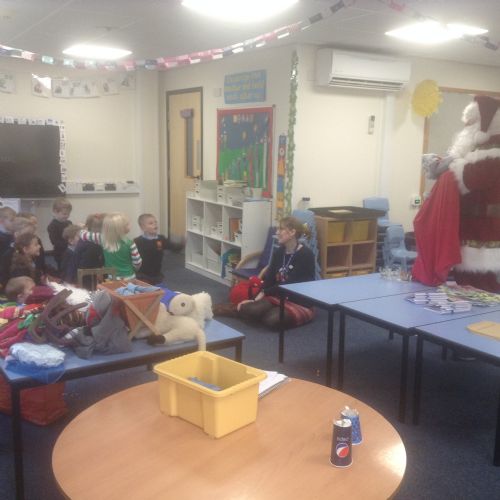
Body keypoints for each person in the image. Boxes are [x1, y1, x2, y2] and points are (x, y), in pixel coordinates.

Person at [414, 95, 500, 292]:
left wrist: (445, 166)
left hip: (482, 232)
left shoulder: (492, 153)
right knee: (473, 285)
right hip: (476, 228)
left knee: (480, 287)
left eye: (471, 123)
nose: (466, 128)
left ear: (483, 126)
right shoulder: (480, 150)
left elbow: (466, 178)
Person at [215, 216, 316, 329]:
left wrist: (264, 293)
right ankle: (229, 309)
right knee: (250, 309)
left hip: (298, 301)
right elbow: (269, 279)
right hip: (278, 296)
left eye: (281, 229)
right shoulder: (279, 252)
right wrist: (254, 299)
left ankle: (264, 312)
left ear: (292, 232)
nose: (277, 232)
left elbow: (288, 285)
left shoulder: (305, 255)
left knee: (271, 320)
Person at [80, 212, 142, 280]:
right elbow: (137, 262)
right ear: (120, 228)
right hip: (129, 277)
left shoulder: (102, 239)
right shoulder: (130, 243)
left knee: (112, 287)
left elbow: (83, 235)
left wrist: (84, 227)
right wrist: (132, 269)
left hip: (112, 277)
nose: (130, 225)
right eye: (127, 224)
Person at [134, 213, 169, 284]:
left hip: (156, 273)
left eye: (155, 222)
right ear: (143, 228)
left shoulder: (161, 238)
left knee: (159, 287)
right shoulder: (138, 241)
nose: (155, 224)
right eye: (151, 223)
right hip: (143, 274)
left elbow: (170, 246)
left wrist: (179, 244)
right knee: (146, 288)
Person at [47, 197, 72, 271]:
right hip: (60, 253)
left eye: (68, 214)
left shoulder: (69, 223)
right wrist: (68, 244)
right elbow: (54, 241)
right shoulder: (52, 226)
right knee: (63, 269)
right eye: (64, 214)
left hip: (69, 250)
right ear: (55, 212)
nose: (67, 216)